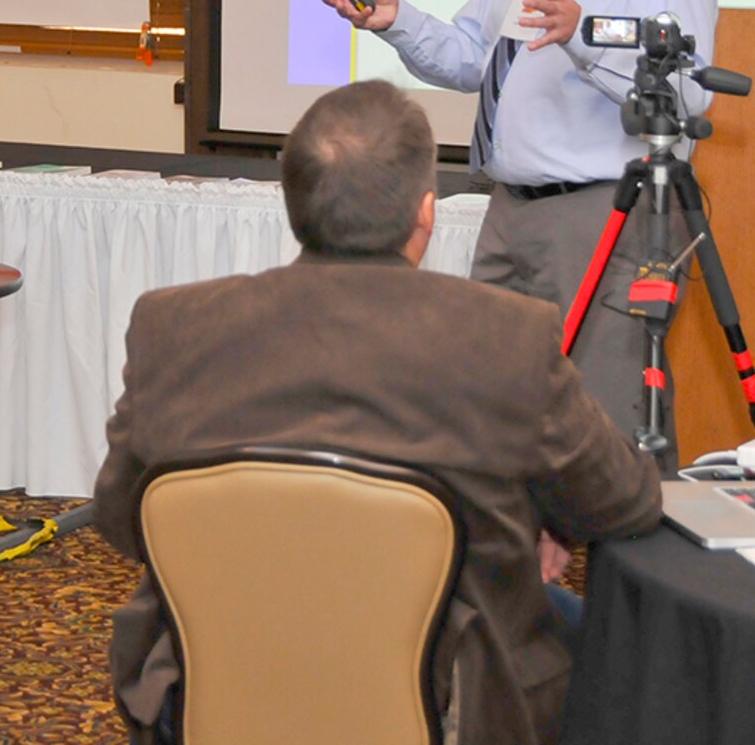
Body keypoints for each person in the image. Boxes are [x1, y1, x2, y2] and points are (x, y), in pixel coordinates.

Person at [93, 81, 661, 745]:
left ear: (292, 204)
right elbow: (624, 503)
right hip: (449, 703)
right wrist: (532, 516)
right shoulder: (507, 336)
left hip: (212, 685)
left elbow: (122, 519)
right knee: (602, 647)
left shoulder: (172, 326)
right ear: (427, 213)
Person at [319, 0, 717, 458]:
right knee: (493, 409)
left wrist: (585, 38)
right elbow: (474, 56)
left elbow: (686, 97)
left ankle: (622, 570)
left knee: (606, 425)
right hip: (509, 211)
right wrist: (395, 20)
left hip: (604, 214)